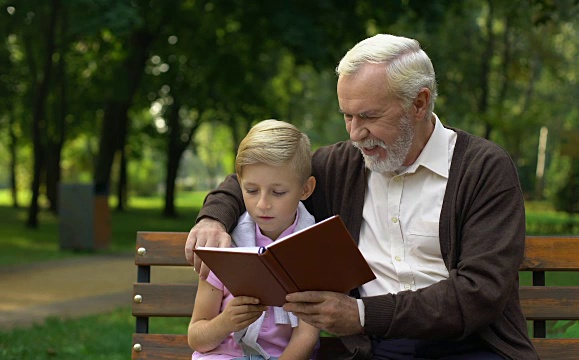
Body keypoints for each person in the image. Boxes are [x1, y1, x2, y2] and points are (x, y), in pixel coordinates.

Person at [186, 34, 539, 359]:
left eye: (369, 116)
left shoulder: (483, 169)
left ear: (419, 103)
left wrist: (362, 314)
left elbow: (480, 292)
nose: (356, 133)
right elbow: (263, 173)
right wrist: (214, 216)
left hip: (473, 347)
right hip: (375, 350)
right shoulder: (343, 165)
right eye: (347, 116)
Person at [188, 119, 320, 360]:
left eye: (278, 192)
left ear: (305, 189)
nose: (263, 204)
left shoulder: (311, 248)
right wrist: (225, 322)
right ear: (239, 185)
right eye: (251, 190)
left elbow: (306, 336)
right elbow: (196, 337)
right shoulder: (225, 248)